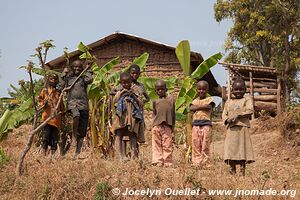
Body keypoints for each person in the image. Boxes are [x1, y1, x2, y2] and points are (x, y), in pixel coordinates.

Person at [60, 60, 93, 159]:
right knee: (76, 115)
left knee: (82, 131)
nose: (77, 69)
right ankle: (74, 135)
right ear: (72, 68)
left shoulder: (83, 78)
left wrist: (88, 70)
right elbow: (61, 85)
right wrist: (64, 73)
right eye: (75, 67)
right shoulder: (69, 78)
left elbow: (89, 80)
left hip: (83, 105)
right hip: (72, 104)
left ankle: (77, 153)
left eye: (79, 67)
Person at [222, 78, 255, 176]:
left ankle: (242, 171)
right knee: (230, 150)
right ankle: (232, 170)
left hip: (242, 128)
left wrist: (239, 115)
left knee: (242, 149)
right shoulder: (228, 102)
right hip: (231, 129)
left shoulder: (247, 99)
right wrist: (227, 119)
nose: (238, 91)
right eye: (236, 89)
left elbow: (250, 110)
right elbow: (224, 113)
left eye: (241, 89)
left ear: (245, 89)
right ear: (232, 90)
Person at [111, 72, 144, 161]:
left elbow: (141, 104)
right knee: (119, 134)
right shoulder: (119, 91)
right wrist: (121, 93)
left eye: (128, 82)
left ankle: (134, 156)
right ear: (121, 83)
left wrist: (133, 96)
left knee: (132, 135)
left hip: (132, 117)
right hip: (121, 117)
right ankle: (121, 156)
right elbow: (114, 101)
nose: (126, 84)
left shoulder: (135, 91)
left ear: (131, 82)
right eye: (123, 83)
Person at [38, 73, 64, 158]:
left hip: (56, 120)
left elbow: (61, 105)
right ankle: (43, 154)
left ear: (57, 81)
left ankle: (52, 157)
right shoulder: (45, 91)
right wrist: (43, 103)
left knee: (54, 139)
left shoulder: (58, 93)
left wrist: (62, 112)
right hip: (46, 119)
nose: (53, 81)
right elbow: (40, 101)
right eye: (51, 79)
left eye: (55, 79)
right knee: (45, 137)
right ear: (49, 80)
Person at [190, 80, 215, 166]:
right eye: (199, 89)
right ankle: (196, 162)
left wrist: (197, 107)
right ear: (196, 90)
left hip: (206, 125)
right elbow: (191, 108)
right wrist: (202, 106)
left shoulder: (210, 99)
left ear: (207, 90)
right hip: (196, 125)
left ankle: (206, 162)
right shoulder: (194, 100)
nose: (201, 91)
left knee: (205, 144)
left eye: (204, 89)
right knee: (196, 144)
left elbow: (209, 107)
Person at [151, 80, 175, 167]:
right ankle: (157, 161)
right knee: (156, 144)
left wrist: (173, 127)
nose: (160, 91)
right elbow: (154, 114)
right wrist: (153, 125)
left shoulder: (171, 100)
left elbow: (173, 114)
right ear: (155, 91)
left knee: (167, 144)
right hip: (157, 126)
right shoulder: (155, 102)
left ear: (166, 89)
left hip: (167, 126)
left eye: (162, 89)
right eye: (158, 89)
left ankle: (167, 161)